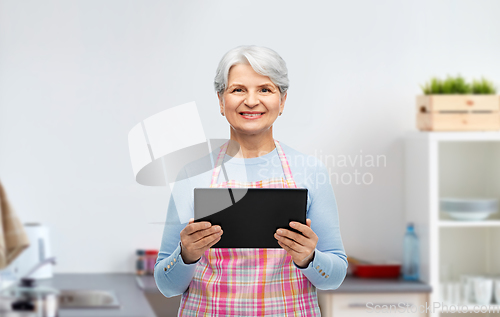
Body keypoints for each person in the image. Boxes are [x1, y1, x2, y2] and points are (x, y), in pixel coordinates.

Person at [154, 45, 347, 316]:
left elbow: (334, 277)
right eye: (238, 90)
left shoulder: (310, 171)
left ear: (282, 101)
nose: (251, 101)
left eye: (265, 89)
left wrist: (309, 258)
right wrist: (186, 254)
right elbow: (166, 286)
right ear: (221, 101)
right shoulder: (192, 174)